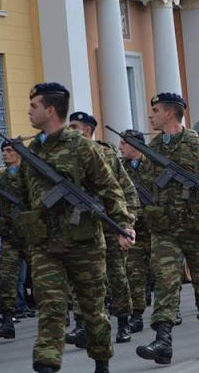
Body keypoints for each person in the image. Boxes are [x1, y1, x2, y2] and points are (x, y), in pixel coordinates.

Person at [18, 82, 136, 373]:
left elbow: (110, 189)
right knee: (50, 308)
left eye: (34, 106)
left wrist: (123, 225)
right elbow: (23, 195)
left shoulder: (82, 146)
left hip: (84, 243)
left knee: (93, 310)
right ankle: (46, 365)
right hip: (46, 245)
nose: (29, 111)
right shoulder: (32, 150)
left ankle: (102, 362)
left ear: (50, 109)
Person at [135, 93, 199, 364]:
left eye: (155, 110)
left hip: (197, 226)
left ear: (169, 113)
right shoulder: (153, 147)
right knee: (165, 281)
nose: (151, 115)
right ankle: (163, 340)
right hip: (164, 228)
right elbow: (144, 186)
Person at [67, 111, 139, 345]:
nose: (70, 130)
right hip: (80, 225)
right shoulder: (66, 156)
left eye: (75, 126)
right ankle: (82, 325)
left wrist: (126, 225)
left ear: (88, 129)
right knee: (82, 276)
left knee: (117, 274)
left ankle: (123, 322)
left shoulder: (107, 155)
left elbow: (127, 191)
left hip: (108, 223)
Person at [0, 142, 31, 341]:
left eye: (9, 151)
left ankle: (60, 312)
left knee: (43, 276)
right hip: (10, 236)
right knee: (7, 278)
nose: (5, 154)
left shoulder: (30, 175)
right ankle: (7, 320)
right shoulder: (1, 178)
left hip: (31, 235)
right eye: (3, 151)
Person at [118, 129, 154, 334]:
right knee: (134, 272)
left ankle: (170, 309)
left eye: (124, 143)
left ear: (136, 145)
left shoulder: (155, 165)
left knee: (163, 270)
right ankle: (137, 314)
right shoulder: (119, 169)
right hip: (134, 229)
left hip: (157, 227)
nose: (120, 147)